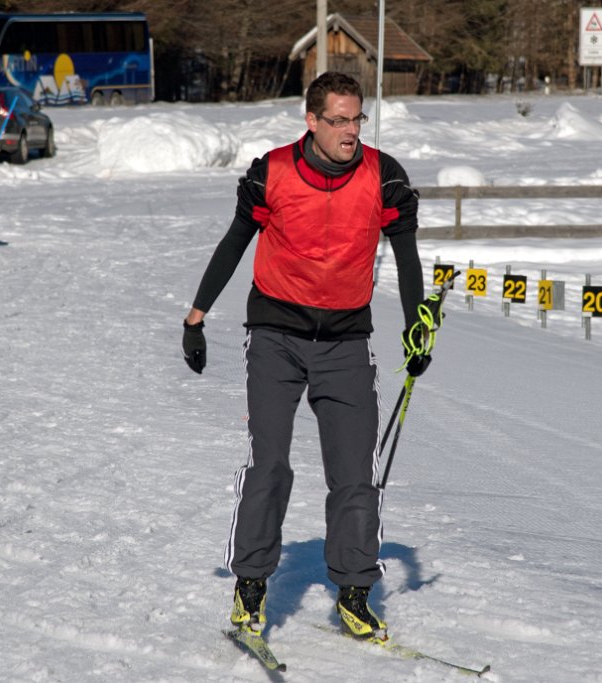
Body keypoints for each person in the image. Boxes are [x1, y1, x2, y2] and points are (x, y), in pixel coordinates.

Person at [181, 72, 432, 641]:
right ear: (311, 121)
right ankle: (251, 583)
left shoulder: (384, 177)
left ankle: (353, 591)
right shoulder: (272, 173)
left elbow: (409, 257)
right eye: (339, 120)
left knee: (354, 475)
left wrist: (419, 327)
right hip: (275, 337)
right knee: (269, 463)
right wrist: (196, 318)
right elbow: (235, 240)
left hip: (346, 343)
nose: (351, 131)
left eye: (357, 119)